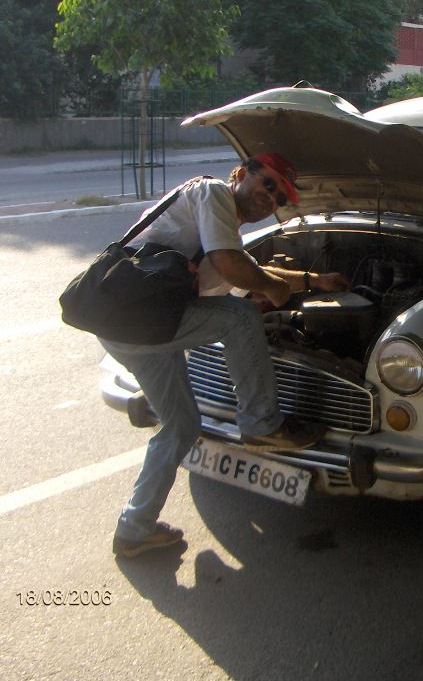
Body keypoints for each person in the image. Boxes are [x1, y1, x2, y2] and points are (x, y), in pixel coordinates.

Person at [103, 153, 350, 558]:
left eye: (278, 196)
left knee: (180, 426)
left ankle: (134, 529)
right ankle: (262, 423)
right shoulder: (213, 192)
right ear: (240, 174)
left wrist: (312, 280)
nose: (269, 197)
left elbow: (248, 265)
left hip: (132, 326)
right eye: (266, 183)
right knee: (238, 318)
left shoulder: (222, 228)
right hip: (140, 316)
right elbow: (232, 268)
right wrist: (271, 290)